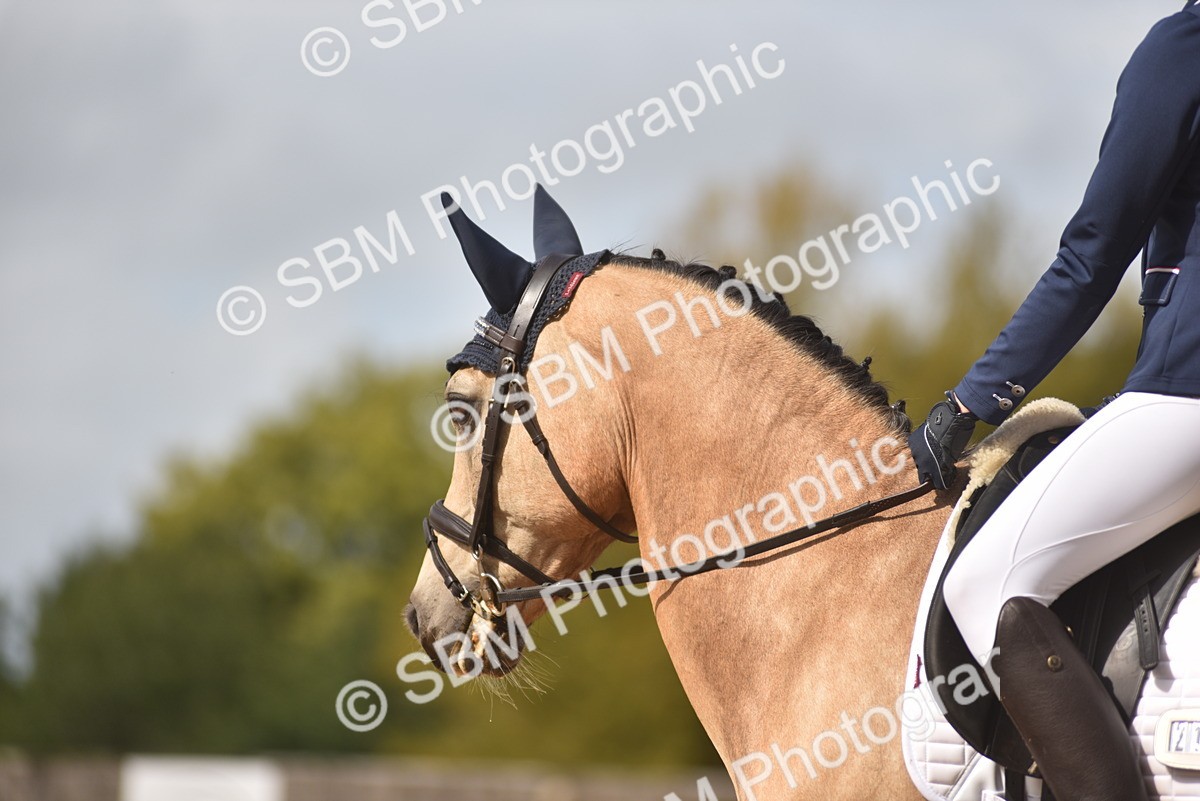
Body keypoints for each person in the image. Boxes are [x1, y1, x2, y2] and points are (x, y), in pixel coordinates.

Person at [908, 4, 1200, 800]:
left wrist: (971, 403)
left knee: (984, 588)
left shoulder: (1184, 48)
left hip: (1188, 392)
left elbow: (1092, 256)